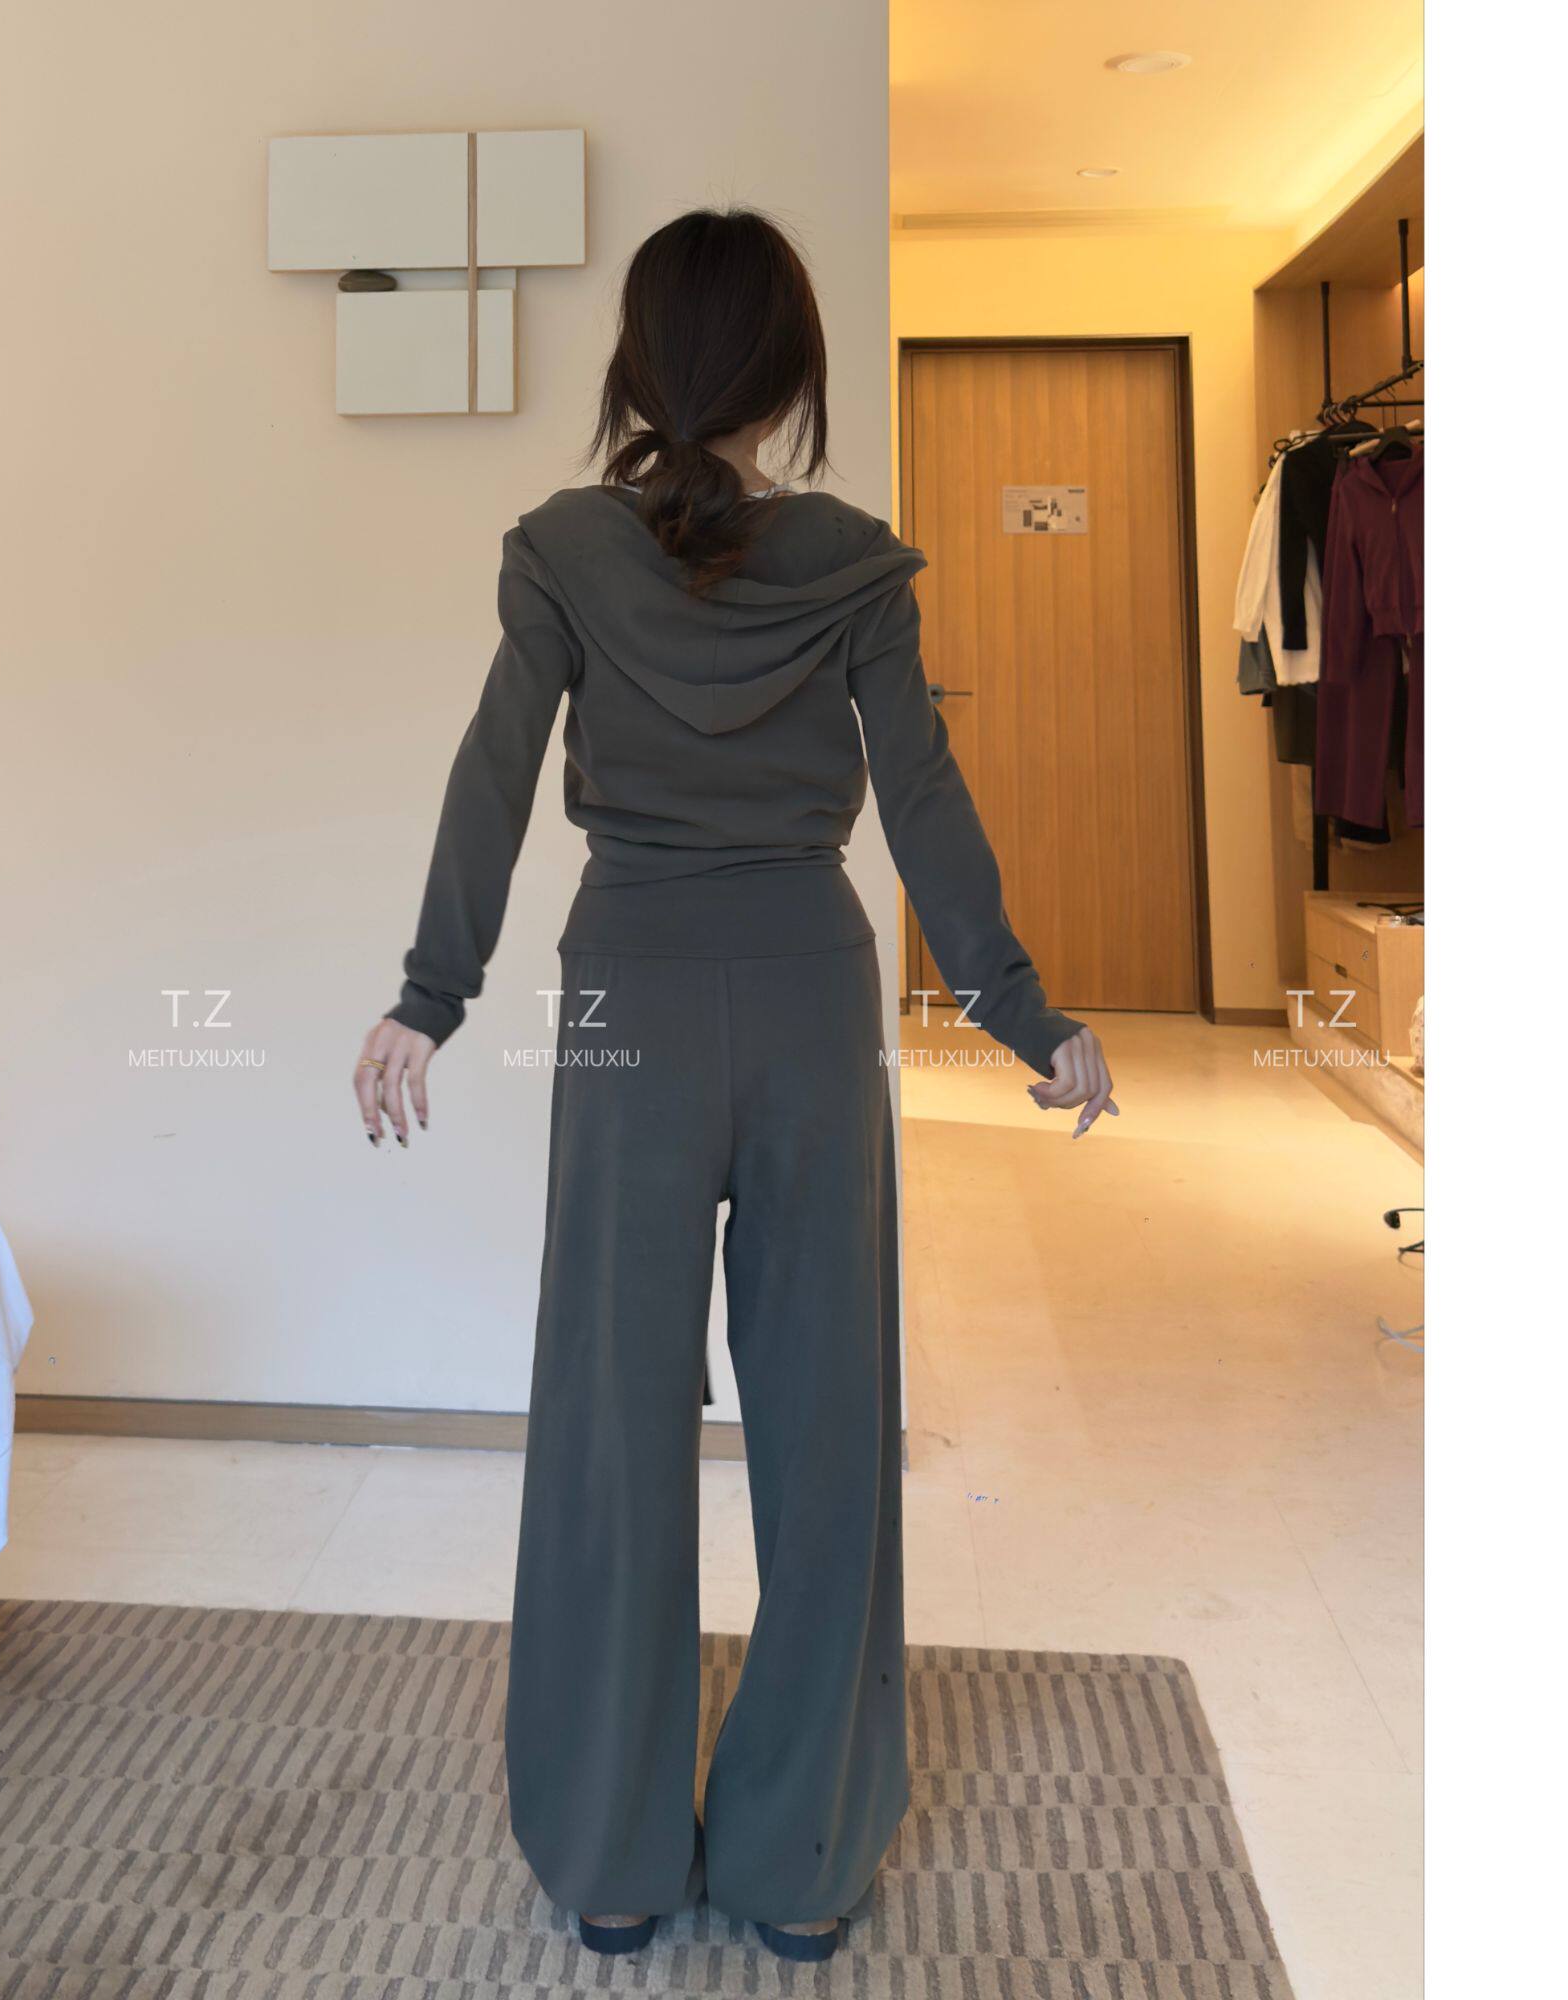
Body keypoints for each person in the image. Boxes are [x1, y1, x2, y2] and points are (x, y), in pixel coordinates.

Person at [351, 207, 1117, 1964]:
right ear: (791, 379)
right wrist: (1020, 1009)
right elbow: (923, 798)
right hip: (806, 1005)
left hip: (624, 993)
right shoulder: (851, 565)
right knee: (827, 1427)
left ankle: (615, 1857)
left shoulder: (564, 550)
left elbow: (492, 772)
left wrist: (428, 999)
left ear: (636, 369)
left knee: (611, 1422)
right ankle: (799, 1860)